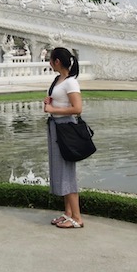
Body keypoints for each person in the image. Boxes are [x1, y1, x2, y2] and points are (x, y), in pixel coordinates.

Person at [43, 46, 84, 229]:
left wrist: (53, 110)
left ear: (57, 62)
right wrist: (49, 103)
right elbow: (58, 102)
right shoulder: (58, 80)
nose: (49, 63)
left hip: (65, 128)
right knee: (60, 170)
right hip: (56, 128)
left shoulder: (71, 83)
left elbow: (77, 109)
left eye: (50, 60)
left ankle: (77, 218)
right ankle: (68, 213)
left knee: (67, 172)